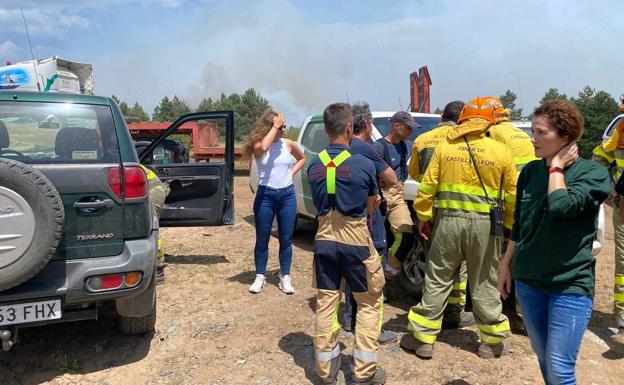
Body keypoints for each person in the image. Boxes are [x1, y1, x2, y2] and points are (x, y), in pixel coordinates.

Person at [498, 100, 610, 384]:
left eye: (540, 133)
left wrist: (557, 167)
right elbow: (521, 224)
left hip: (569, 284)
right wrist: (505, 265)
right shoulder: (530, 173)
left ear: (566, 136)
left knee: (560, 367)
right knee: (543, 355)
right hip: (529, 281)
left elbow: (561, 206)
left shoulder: (592, 174)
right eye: (532, 131)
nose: (532, 139)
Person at [401, 96, 517, 359]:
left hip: (448, 223)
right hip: (486, 227)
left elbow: (426, 188)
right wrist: (509, 227)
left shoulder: (445, 147)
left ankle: (422, 340)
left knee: (438, 277)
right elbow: (511, 196)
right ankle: (492, 342)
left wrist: (423, 217)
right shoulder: (500, 151)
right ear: (490, 121)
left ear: (463, 119)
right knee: (484, 281)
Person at [307, 103, 386, 385]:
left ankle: (326, 372)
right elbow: (371, 204)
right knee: (368, 303)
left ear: (326, 129)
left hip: (324, 240)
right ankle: (364, 373)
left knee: (326, 303)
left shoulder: (313, 164)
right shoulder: (363, 164)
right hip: (356, 241)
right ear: (350, 127)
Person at [408, 100, 475, 330]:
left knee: (434, 263)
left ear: (441, 117)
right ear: (462, 120)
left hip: (430, 207)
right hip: (456, 209)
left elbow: (415, 174)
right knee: (459, 265)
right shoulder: (464, 141)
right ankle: (454, 313)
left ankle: (429, 312)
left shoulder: (422, 139)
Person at [342, 102, 398, 345]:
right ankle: (370, 329)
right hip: (369, 218)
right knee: (372, 278)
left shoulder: (338, 148)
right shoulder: (365, 149)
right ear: (366, 125)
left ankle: (349, 319)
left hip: (344, 221)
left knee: (352, 270)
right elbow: (392, 178)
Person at [243, 110, 305, 294]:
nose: (283, 130)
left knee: (286, 238)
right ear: (270, 127)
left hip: (287, 196)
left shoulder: (288, 144)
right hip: (265, 196)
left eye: (284, 126)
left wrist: (291, 173)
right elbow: (263, 149)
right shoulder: (258, 145)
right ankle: (260, 276)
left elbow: (302, 158)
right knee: (262, 239)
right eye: (280, 127)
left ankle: (285, 277)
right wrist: (274, 126)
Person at [592, 97, 624, 352]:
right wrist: (613, 195)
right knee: (623, 263)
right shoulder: (619, 129)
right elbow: (599, 163)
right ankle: (623, 321)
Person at [372, 111, 418, 279]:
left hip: (398, 195)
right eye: (408, 128)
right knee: (379, 242)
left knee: (406, 234)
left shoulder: (408, 145)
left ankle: (388, 275)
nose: (411, 132)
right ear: (396, 126)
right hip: (380, 196)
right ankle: (374, 282)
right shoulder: (378, 147)